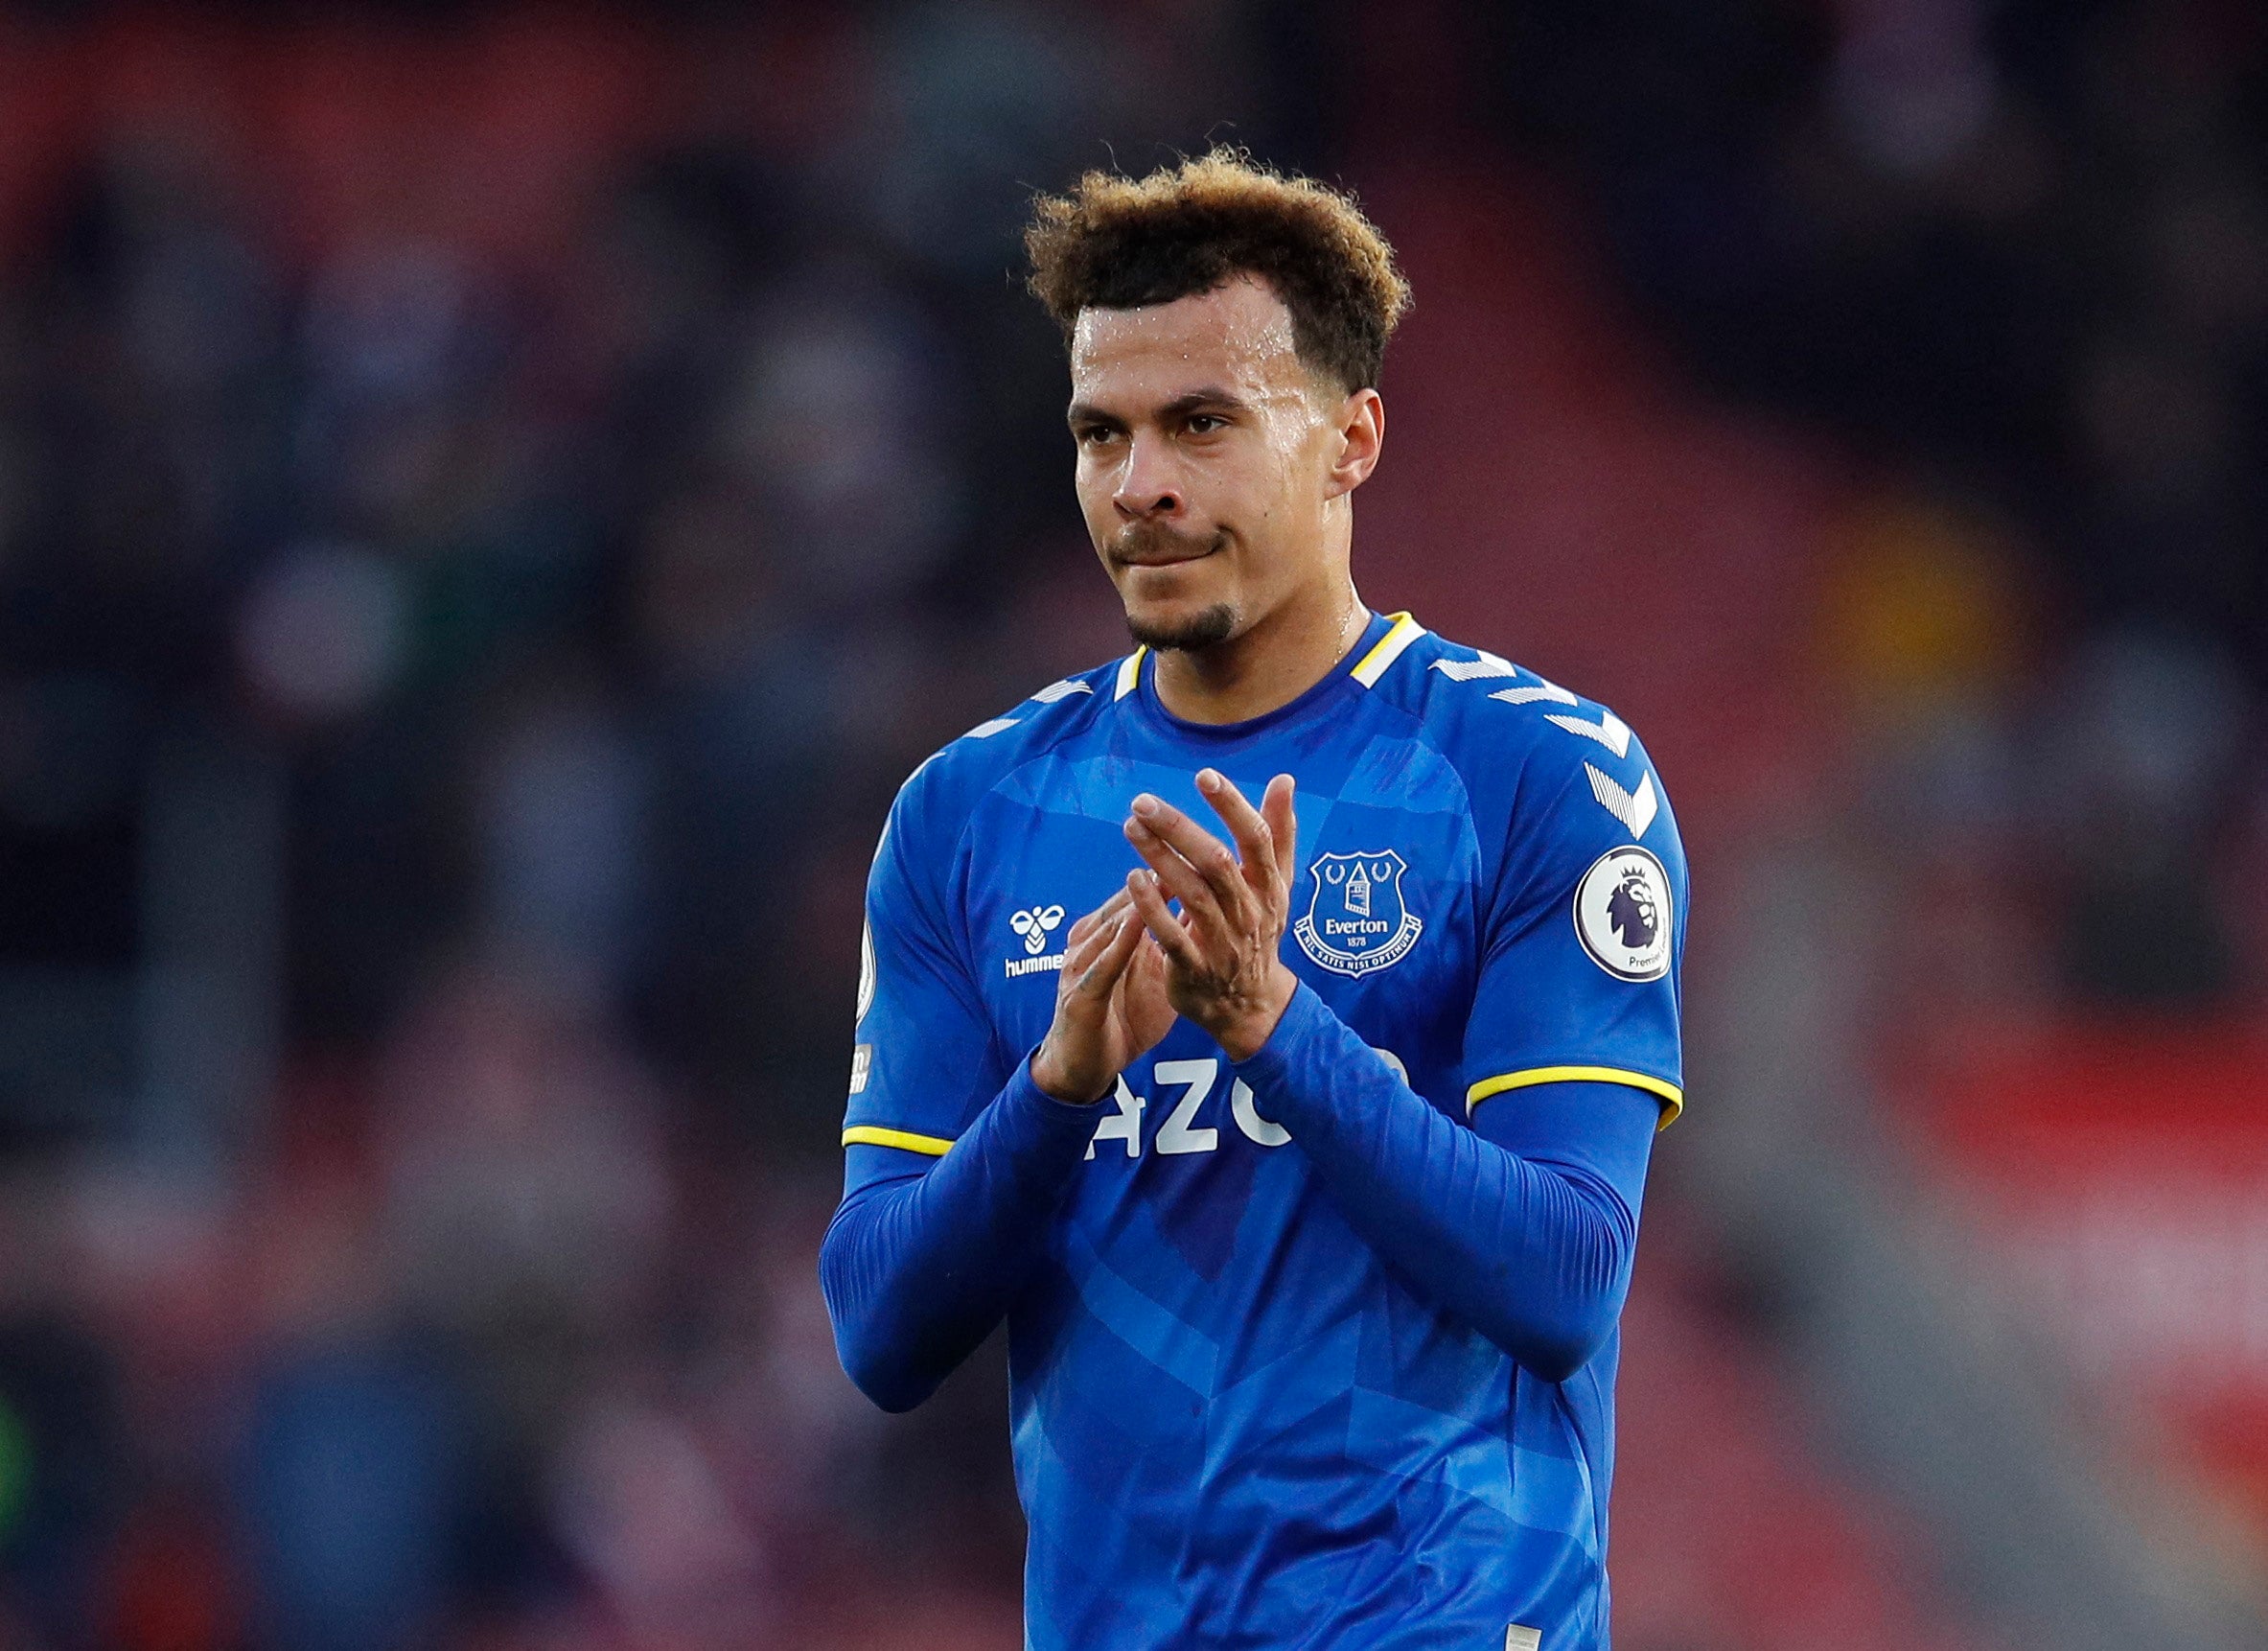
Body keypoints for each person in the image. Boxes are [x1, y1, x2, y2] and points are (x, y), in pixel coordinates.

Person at [820, 149, 1685, 1651]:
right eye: (1103, 433)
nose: (1139, 484)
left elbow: (1561, 1276)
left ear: (1350, 439)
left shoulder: (1535, 773)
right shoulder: (969, 812)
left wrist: (1271, 1024)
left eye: (1202, 424)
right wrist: (1059, 1086)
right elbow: (880, 1330)